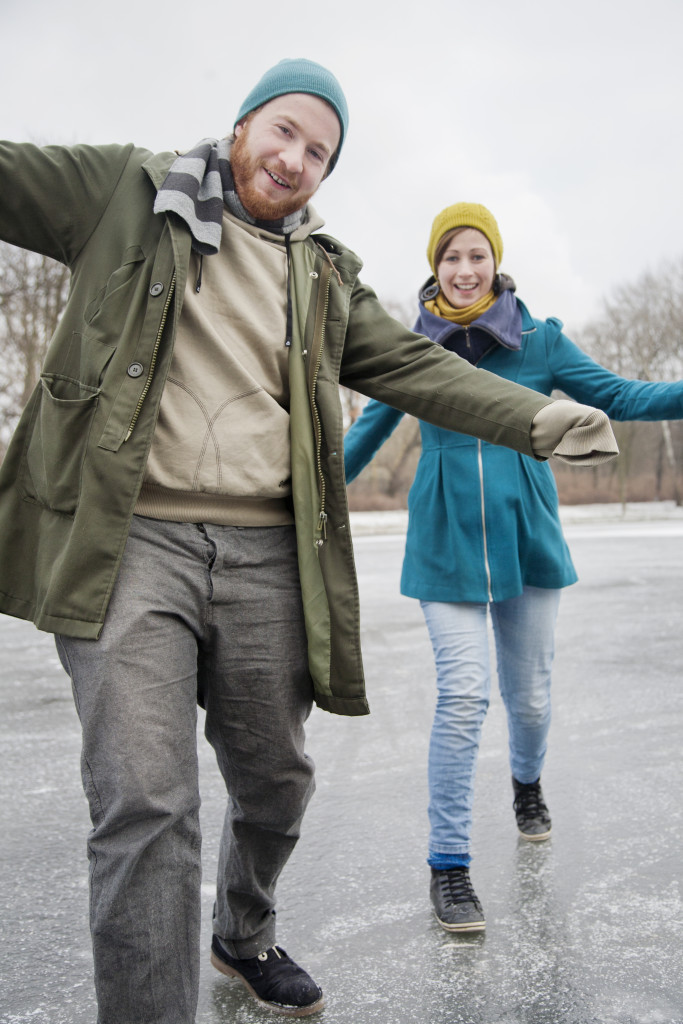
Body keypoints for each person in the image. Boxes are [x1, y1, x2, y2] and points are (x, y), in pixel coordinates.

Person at [0, 67, 618, 1023]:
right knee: (146, 805)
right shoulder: (122, 190)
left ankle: (242, 934)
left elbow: (415, 366)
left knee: (275, 781)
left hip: (264, 553)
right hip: (127, 545)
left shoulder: (322, 272)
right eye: (283, 131)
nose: (293, 159)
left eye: (318, 152)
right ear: (243, 123)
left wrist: (539, 419)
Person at [343, 201, 683, 937]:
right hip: (444, 546)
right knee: (463, 697)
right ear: (433, 266)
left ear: (494, 261)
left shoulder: (538, 340)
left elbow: (621, 397)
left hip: (527, 540)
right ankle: (449, 866)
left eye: (475, 256)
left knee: (527, 699)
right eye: (449, 258)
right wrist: (295, 501)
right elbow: (363, 437)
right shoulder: (410, 349)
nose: (463, 271)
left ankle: (525, 783)